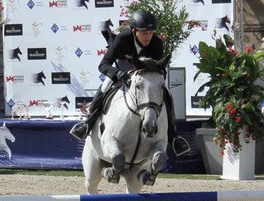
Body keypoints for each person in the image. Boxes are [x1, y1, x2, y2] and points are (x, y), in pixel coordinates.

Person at [69, 9, 191, 156]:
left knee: (166, 92)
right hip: (122, 71)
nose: (148, 36)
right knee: (105, 86)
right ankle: (87, 124)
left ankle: (173, 136)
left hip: (144, 74)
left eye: (150, 32)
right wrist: (118, 74)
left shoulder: (157, 42)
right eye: (144, 33)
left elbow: (160, 69)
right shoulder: (122, 38)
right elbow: (103, 65)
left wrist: (155, 76)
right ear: (134, 31)